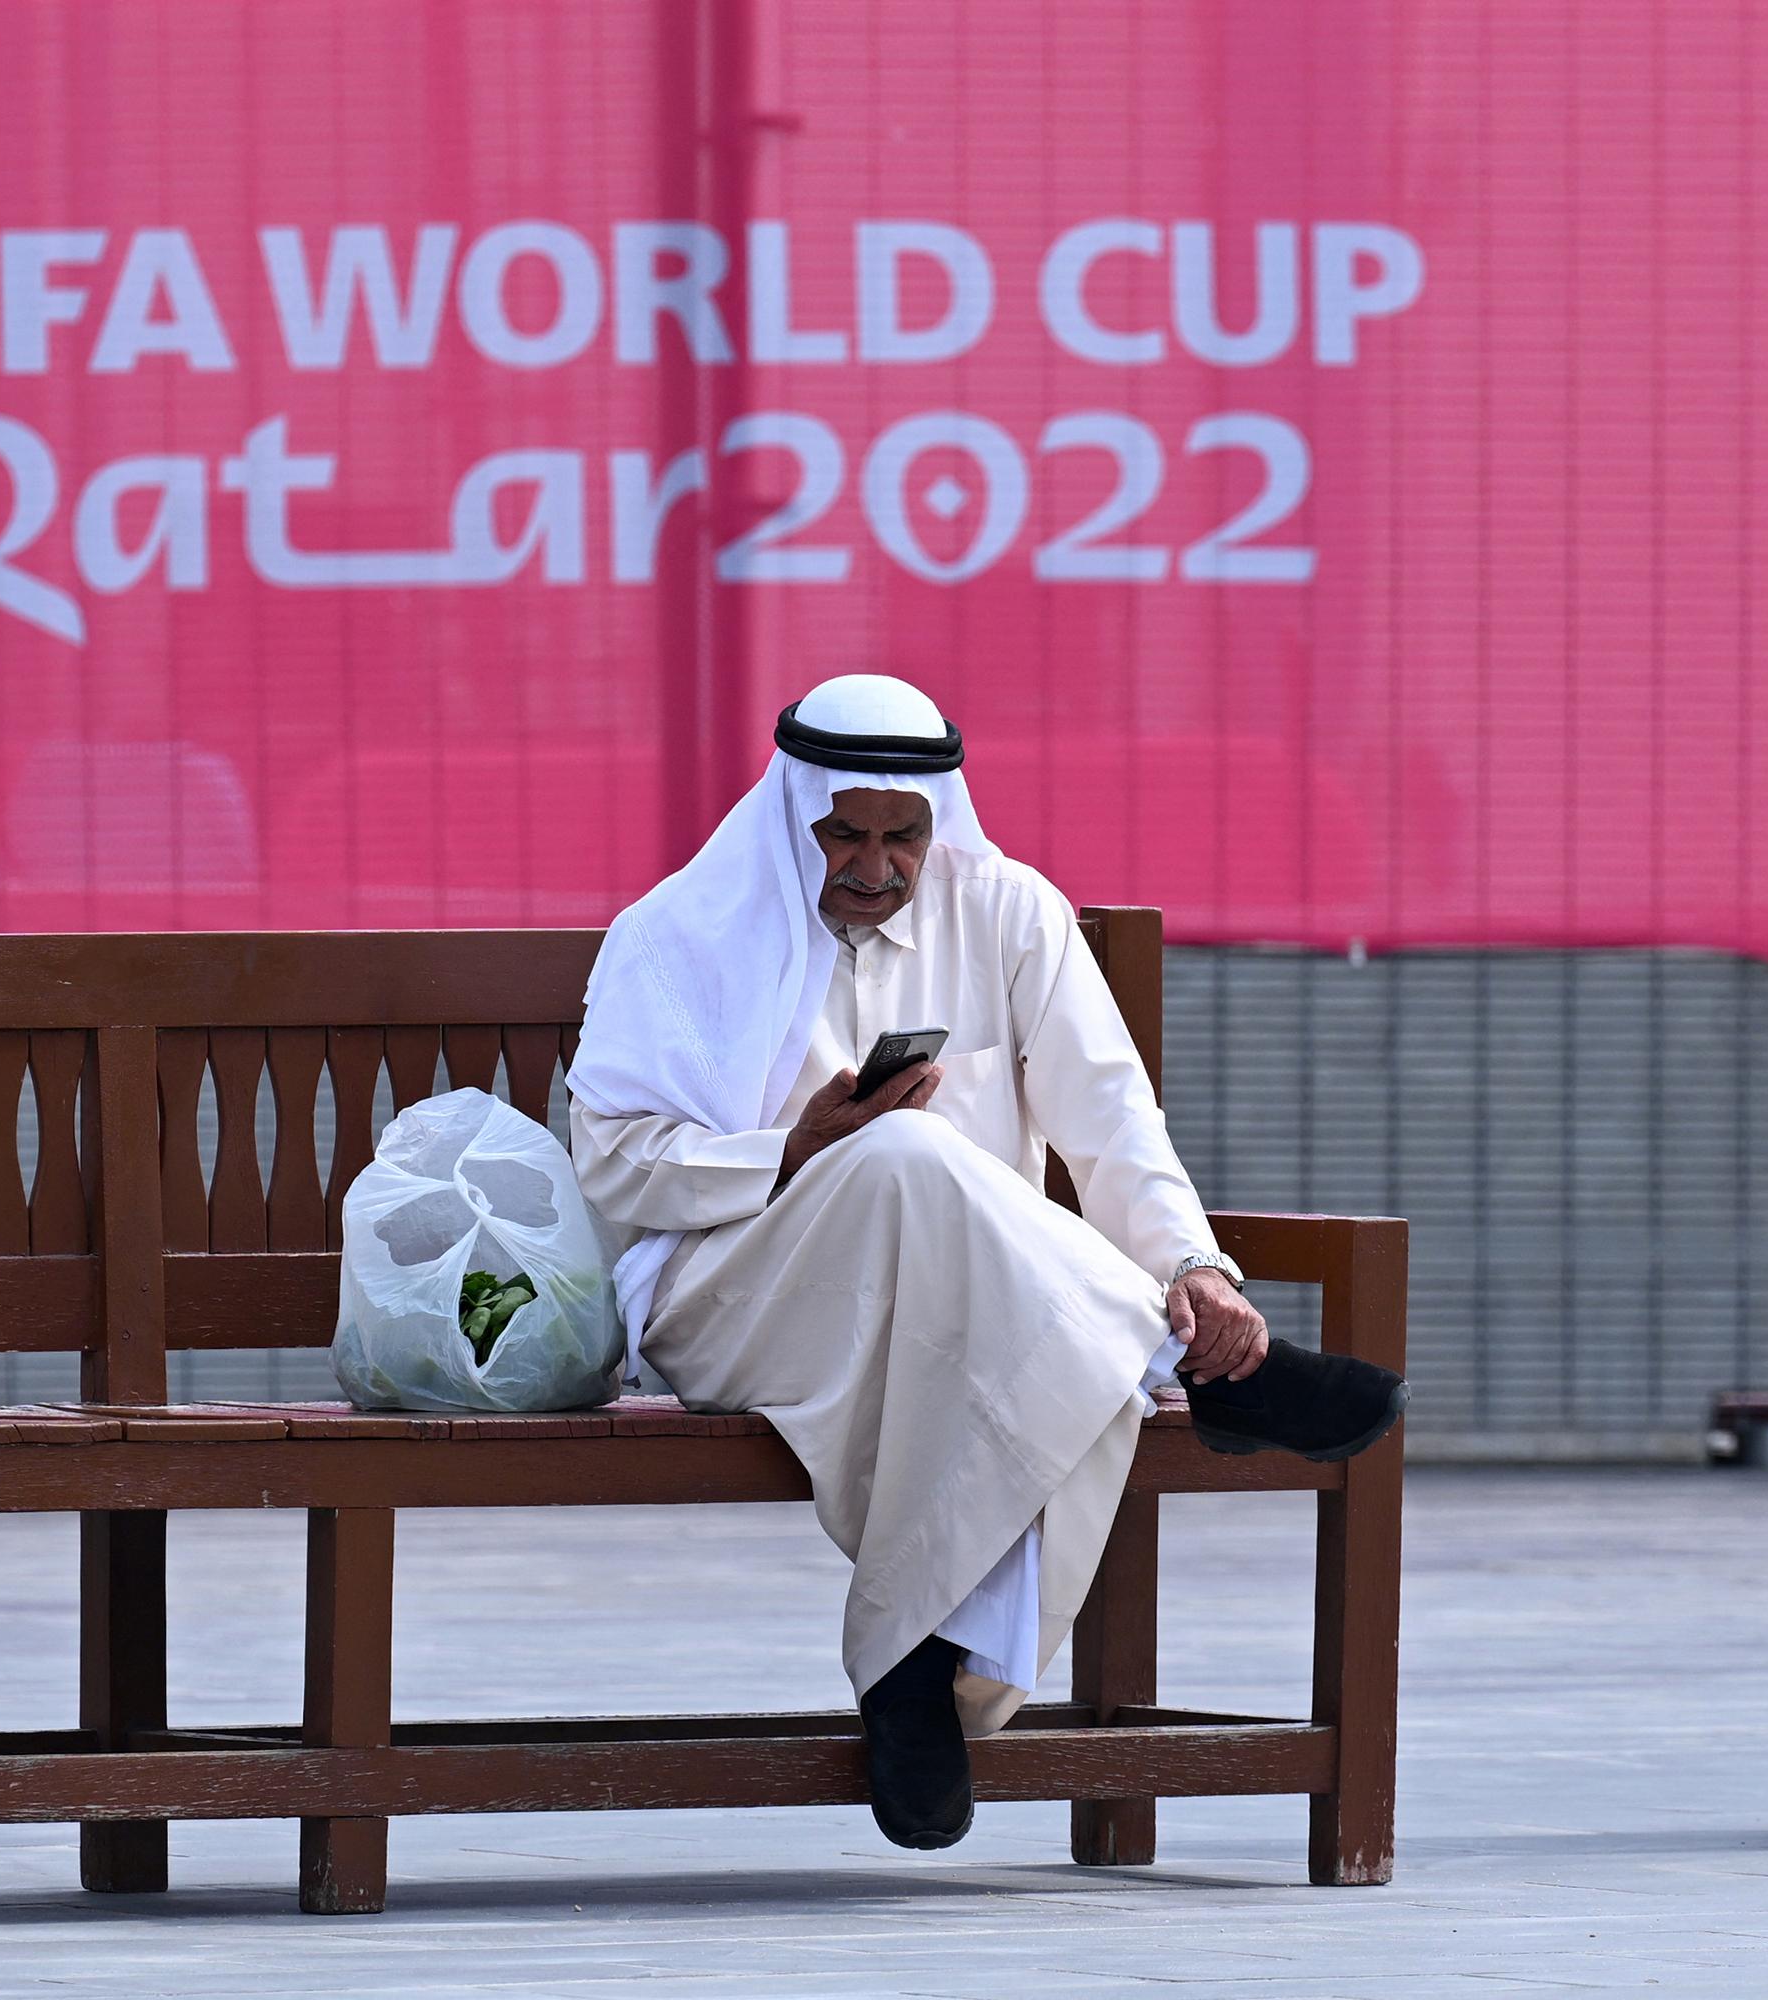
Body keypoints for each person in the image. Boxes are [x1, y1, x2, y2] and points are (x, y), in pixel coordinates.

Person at [565, 673, 1405, 1852]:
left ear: (937, 820)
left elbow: (1111, 1123)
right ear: (792, 811)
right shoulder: (679, 930)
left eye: (902, 836)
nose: (874, 865)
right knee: (910, 1152)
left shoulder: (1009, 911)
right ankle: (1193, 1367)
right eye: (843, 834)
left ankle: (913, 1663)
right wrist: (795, 1145)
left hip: (955, 1306)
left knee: (957, 1268)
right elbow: (612, 1167)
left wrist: (1195, 1266)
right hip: (729, 1296)